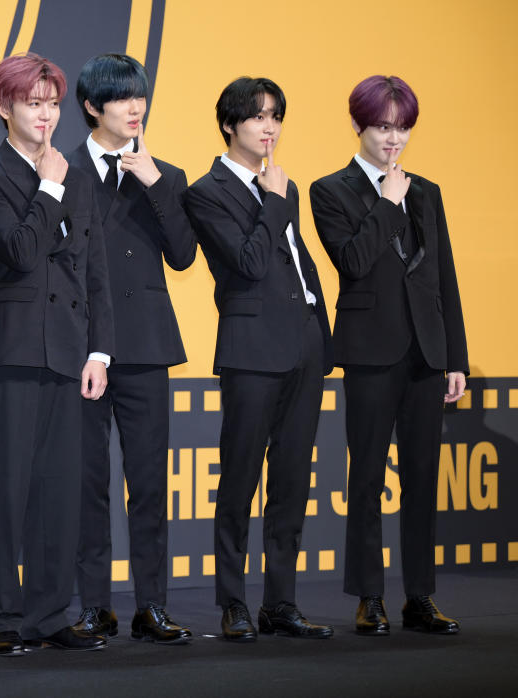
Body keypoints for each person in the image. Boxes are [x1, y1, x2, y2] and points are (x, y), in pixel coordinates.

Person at [0, 52, 115, 656]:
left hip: (70, 354)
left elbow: (93, 270)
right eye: (34, 103)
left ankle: (50, 615)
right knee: (6, 489)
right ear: (5, 106)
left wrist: (99, 352)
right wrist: (48, 186)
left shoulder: (77, 178)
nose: (47, 114)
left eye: (53, 103)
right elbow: (21, 253)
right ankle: (0, 616)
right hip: (14, 352)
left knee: (60, 492)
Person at [309, 75, 467, 636]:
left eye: (402, 128)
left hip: (427, 352)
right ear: (358, 125)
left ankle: (420, 596)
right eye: (382, 127)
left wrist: (457, 359)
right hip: (371, 352)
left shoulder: (429, 191)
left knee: (424, 476)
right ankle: (369, 596)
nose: (393, 139)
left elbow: (443, 277)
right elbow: (352, 262)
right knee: (369, 477)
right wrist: (386, 202)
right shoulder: (331, 190)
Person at [185, 77, 334, 642]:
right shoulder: (207, 191)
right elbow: (247, 263)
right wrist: (272, 199)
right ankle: (233, 604)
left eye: (276, 117)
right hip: (251, 349)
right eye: (257, 117)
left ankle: (281, 603)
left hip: (305, 344)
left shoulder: (283, 185)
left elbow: (297, 262)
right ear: (229, 124)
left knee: (293, 481)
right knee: (240, 479)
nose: (269, 127)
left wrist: (323, 332)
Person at [66, 53, 195, 645]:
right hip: (82, 347)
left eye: (140, 96)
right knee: (88, 483)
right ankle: (95, 606)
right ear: (93, 107)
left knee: (148, 482)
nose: (135, 107)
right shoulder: (61, 169)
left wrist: (157, 187)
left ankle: (152, 605)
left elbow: (184, 255)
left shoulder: (165, 173)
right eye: (120, 98)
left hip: (145, 345)